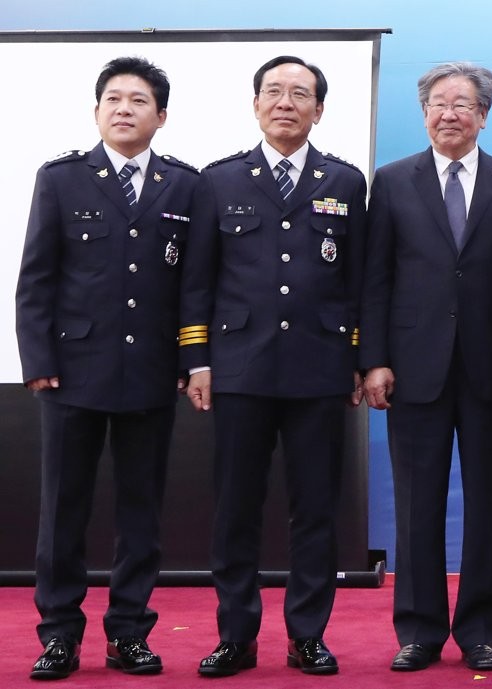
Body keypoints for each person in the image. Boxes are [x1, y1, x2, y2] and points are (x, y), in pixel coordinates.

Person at [179, 55, 367, 677]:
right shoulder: (218, 181)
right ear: (255, 104)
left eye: (300, 94)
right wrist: (197, 360)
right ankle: (236, 635)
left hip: (320, 368)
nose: (286, 103)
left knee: (315, 510)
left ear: (320, 109)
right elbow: (197, 281)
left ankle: (307, 634)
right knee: (236, 508)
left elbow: (358, 282)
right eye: (274, 92)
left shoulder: (345, 182)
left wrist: (359, 359)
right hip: (240, 368)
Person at [15, 56, 198, 680]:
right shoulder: (62, 179)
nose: (125, 109)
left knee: (141, 512)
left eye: (139, 100)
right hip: (73, 371)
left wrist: (188, 360)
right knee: (63, 510)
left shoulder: (184, 185)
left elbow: (192, 285)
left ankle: (129, 632)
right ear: (97, 111)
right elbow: (36, 279)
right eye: (114, 99)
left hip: (151, 371)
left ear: (161, 116)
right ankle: (59, 635)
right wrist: (38, 359)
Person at [360, 63, 492, 673]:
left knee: (488, 505)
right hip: (412, 368)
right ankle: (419, 629)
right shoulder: (392, 181)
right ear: (424, 112)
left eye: (462, 103)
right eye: (437, 102)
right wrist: (374, 360)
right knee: (416, 506)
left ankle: (480, 629)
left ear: (484, 115)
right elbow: (375, 279)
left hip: (491, 371)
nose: (448, 113)